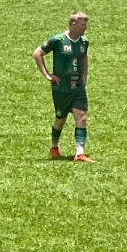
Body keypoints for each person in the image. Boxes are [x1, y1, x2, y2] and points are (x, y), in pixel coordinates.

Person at [33, 11, 93, 163]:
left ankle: (80, 153)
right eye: (83, 24)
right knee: (61, 118)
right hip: (61, 88)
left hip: (77, 88)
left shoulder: (84, 41)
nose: (85, 27)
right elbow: (37, 53)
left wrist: (85, 73)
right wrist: (47, 74)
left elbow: (84, 56)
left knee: (82, 117)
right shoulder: (58, 40)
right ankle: (54, 147)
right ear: (73, 24)